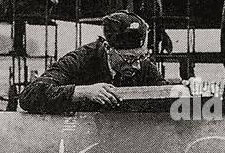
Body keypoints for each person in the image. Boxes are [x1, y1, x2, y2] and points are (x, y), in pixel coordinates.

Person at [19, 11, 169, 113]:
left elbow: (167, 97)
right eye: (129, 58)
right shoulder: (80, 60)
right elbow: (29, 96)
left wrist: (187, 90)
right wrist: (83, 92)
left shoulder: (143, 64)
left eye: (142, 57)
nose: (137, 66)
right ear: (108, 47)